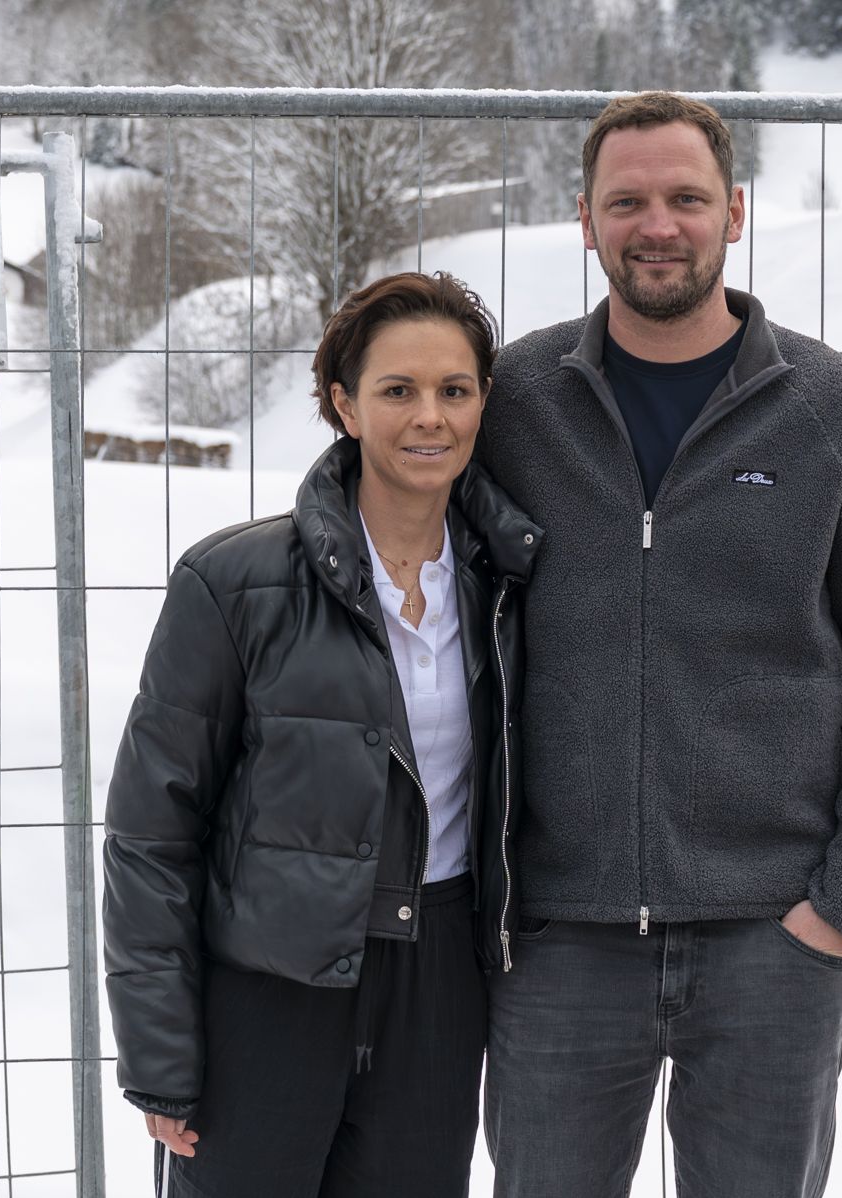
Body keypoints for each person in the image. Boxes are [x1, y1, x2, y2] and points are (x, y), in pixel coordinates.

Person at [477, 92, 842, 1197]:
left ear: (734, 212)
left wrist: (838, 904)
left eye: (687, 198)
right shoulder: (515, 404)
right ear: (583, 219)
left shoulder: (831, 410)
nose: (659, 224)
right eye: (628, 200)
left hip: (771, 946)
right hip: (561, 939)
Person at [101, 271, 540, 1198]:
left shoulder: (510, 584)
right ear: (343, 404)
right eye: (397, 390)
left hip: (439, 985)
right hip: (266, 991)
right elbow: (151, 833)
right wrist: (161, 1049)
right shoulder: (232, 584)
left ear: (483, 403)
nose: (430, 417)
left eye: (454, 391)